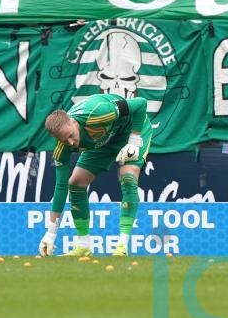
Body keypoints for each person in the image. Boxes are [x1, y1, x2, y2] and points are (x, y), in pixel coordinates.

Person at [39, 93, 152, 257]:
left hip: (130, 131)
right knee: (75, 183)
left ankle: (122, 246)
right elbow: (61, 187)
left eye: (71, 136)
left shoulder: (99, 113)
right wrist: (51, 233)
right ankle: (83, 246)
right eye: (64, 140)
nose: (70, 143)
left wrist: (134, 140)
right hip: (103, 141)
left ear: (73, 121)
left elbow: (140, 103)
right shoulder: (62, 148)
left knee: (128, 177)